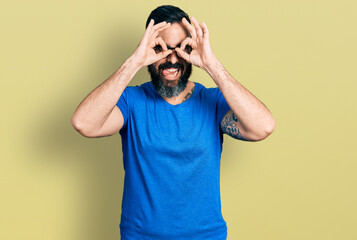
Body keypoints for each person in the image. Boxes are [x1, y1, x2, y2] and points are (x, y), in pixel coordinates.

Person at [71, 5, 275, 240]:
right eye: (161, 48)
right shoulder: (131, 101)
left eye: (180, 48)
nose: (172, 59)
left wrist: (211, 65)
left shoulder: (213, 102)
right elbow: (84, 123)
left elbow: (263, 127)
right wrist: (134, 62)